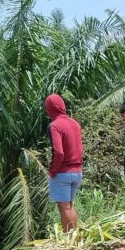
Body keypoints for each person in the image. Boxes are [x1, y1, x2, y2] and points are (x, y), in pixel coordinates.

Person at [45, 94, 83, 232]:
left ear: (49, 109)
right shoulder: (75, 123)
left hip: (62, 173)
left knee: (64, 207)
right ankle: (74, 236)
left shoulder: (55, 126)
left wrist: (53, 170)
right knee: (70, 206)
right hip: (77, 171)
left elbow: (59, 152)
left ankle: (69, 238)